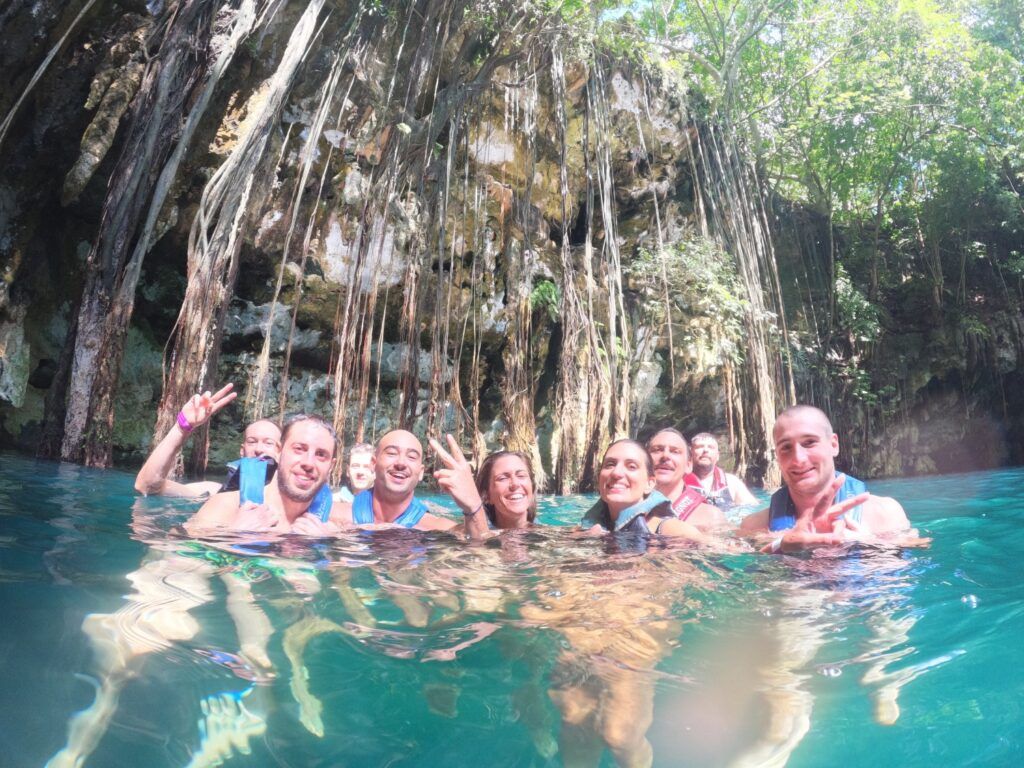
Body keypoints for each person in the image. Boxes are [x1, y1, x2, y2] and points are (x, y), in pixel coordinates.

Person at [740, 405, 918, 551]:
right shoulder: (753, 527)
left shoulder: (885, 514)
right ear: (777, 457)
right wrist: (780, 545)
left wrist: (868, 545)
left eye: (809, 442)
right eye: (786, 447)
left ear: (834, 445)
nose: (798, 459)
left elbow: (908, 570)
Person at [184, 414, 342, 536]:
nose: (308, 463)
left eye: (321, 455)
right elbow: (179, 563)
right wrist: (232, 536)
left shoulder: (330, 530)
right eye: (299, 449)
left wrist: (321, 548)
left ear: (331, 466)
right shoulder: (225, 508)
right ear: (278, 452)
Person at [134, 382, 282, 498]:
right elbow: (147, 486)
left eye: (268, 443)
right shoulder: (213, 493)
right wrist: (181, 427)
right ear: (242, 451)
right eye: (252, 441)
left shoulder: (290, 504)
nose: (259, 449)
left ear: (281, 452)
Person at [334, 429, 462, 531]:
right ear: (373, 464)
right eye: (391, 453)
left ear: (421, 472)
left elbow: (472, 539)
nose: (401, 463)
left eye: (411, 457)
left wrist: (471, 508)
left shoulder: (436, 528)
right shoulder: (333, 515)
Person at [581, 439, 706, 541]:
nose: (616, 473)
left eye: (631, 466)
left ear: (649, 484)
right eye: (610, 464)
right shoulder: (585, 530)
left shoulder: (675, 533)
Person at [429, 436, 539, 538]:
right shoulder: (463, 532)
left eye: (521, 475)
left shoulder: (546, 535)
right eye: (502, 478)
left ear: (532, 486)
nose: (515, 484)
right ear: (486, 495)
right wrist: (473, 507)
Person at [646, 428, 727, 529]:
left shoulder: (711, 518)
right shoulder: (629, 506)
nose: (665, 455)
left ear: (688, 465)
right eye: (657, 450)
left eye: (675, 451)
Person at [685, 432, 759, 508]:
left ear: (717, 456)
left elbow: (751, 508)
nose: (705, 450)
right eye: (699, 447)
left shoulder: (732, 482)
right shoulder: (680, 482)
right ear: (690, 454)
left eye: (711, 447)